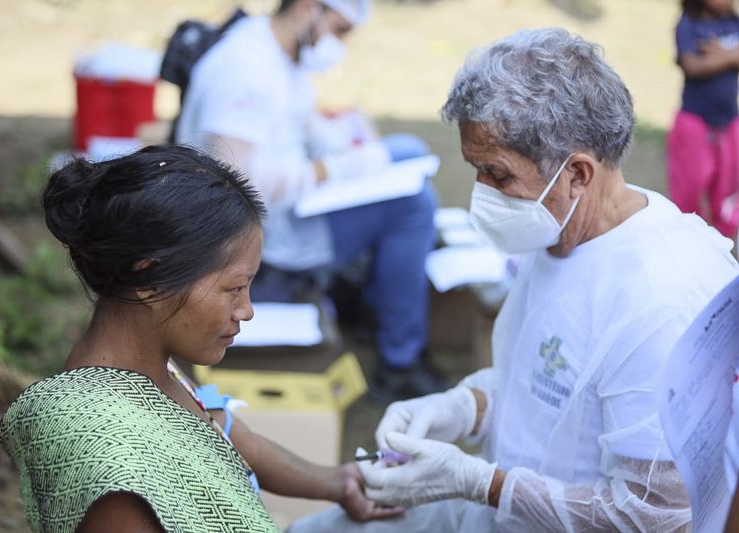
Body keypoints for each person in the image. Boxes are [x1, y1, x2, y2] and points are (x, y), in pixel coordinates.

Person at [288, 28, 739, 532]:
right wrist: (461, 409)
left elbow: (652, 517)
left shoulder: (660, 300)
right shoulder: (560, 230)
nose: (483, 193)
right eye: (475, 170)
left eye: (498, 175)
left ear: (578, 174)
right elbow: (543, 381)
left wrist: (482, 483)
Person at [0, 145, 402, 532]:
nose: (247, 310)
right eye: (233, 289)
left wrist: (341, 482)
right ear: (149, 279)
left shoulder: (156, 373)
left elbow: (240, 442)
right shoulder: (109, 462)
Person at [174, 0, 444, 402]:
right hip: (258, 232)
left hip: (290, 204)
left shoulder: (277, 51)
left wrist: (350, 149)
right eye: (338, 29)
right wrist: (332, 171)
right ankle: (400, 363)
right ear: (306, 8)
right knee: (413, 203)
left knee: (408, 152)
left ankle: (382, 308)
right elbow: (233, 184)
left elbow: (302, 122)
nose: (338, 43)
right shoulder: (243, 68)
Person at [667, 0, 739, 238]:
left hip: (729, 122)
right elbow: (692, 66)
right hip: (694, 122)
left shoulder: (733, 22)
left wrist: (722, 57)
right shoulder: (689, 25)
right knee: (692, 183)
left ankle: (725, 239)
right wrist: (732, 57)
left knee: (728, 185)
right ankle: (686, 238)